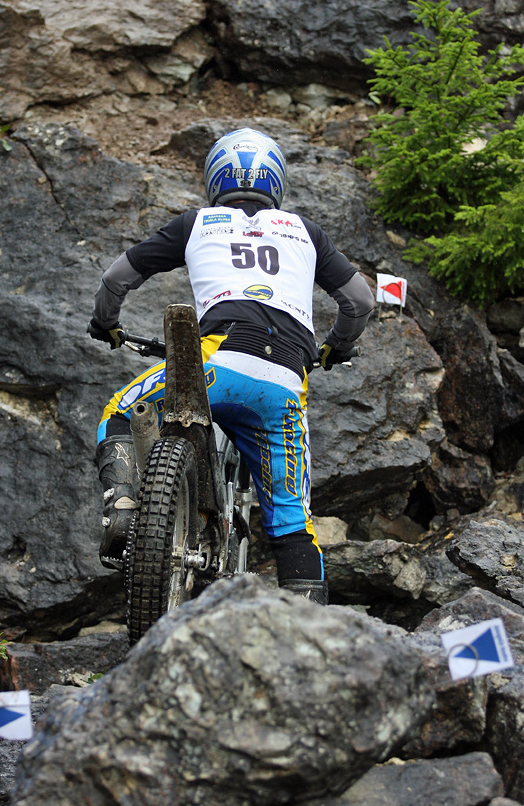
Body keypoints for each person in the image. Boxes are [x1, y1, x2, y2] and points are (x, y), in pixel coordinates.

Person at [87, 128, 374, 604]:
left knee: (120, 411)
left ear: (215, 178)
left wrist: (107, 323)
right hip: (286, 381)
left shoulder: (197, 223)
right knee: (291, 521)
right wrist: (336, 347)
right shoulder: (305, 231)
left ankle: (121, 507)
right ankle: (308, 628)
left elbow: (116, 278)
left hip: (218, 359)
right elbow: (359, 301)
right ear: (276, 181)